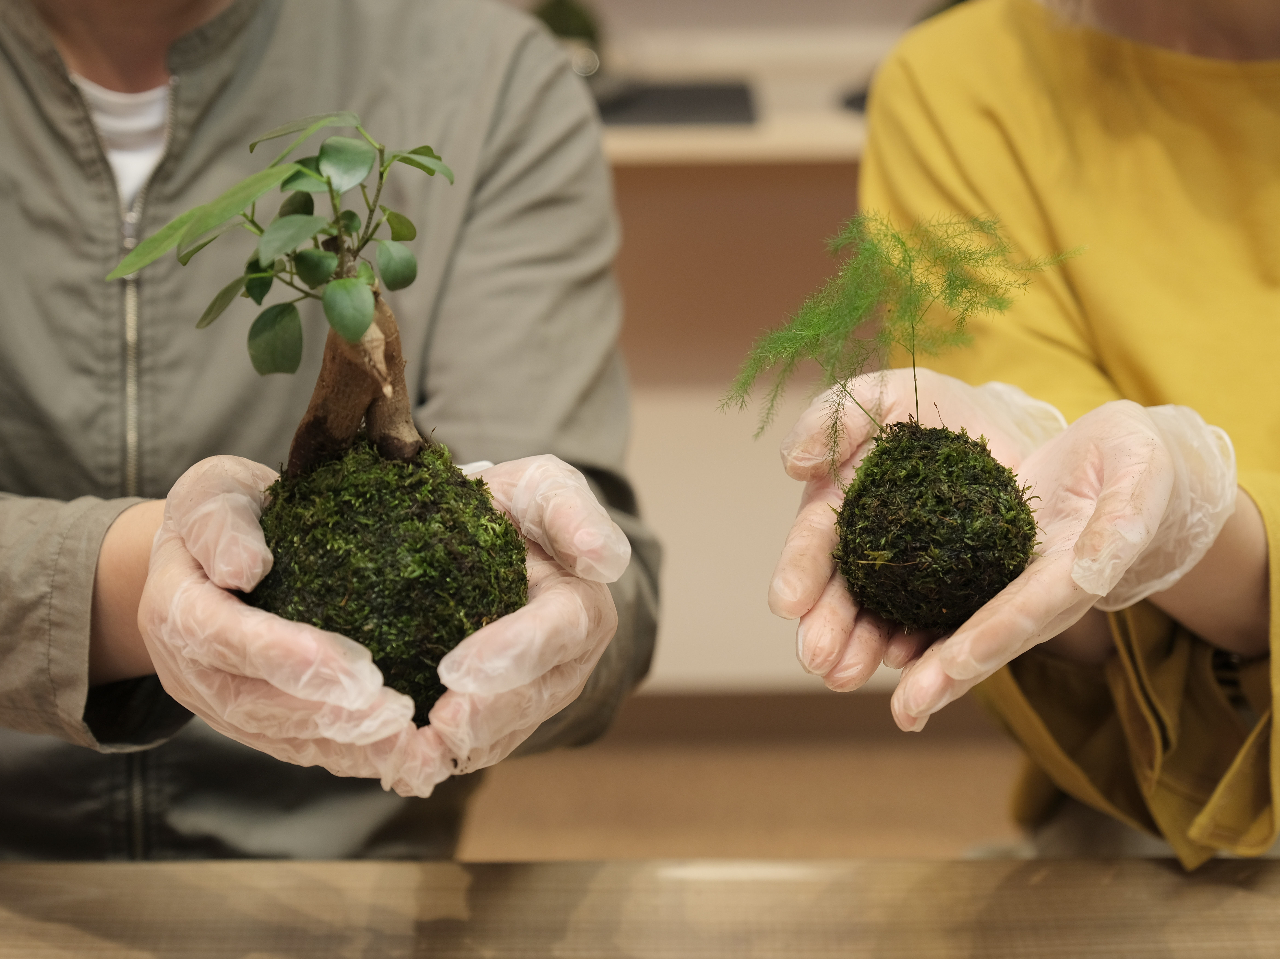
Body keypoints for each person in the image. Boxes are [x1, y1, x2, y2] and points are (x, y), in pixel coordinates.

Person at [0, 0, 660, 859]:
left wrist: (573, 609)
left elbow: (611, 585)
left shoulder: (484, 73)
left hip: (356, 892)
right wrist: (133, 585)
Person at [769, 0, 1279, 867]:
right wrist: (1148, 535)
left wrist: (1197, 513)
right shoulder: (965, 82)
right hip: (1158, 794)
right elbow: (1069, 593)